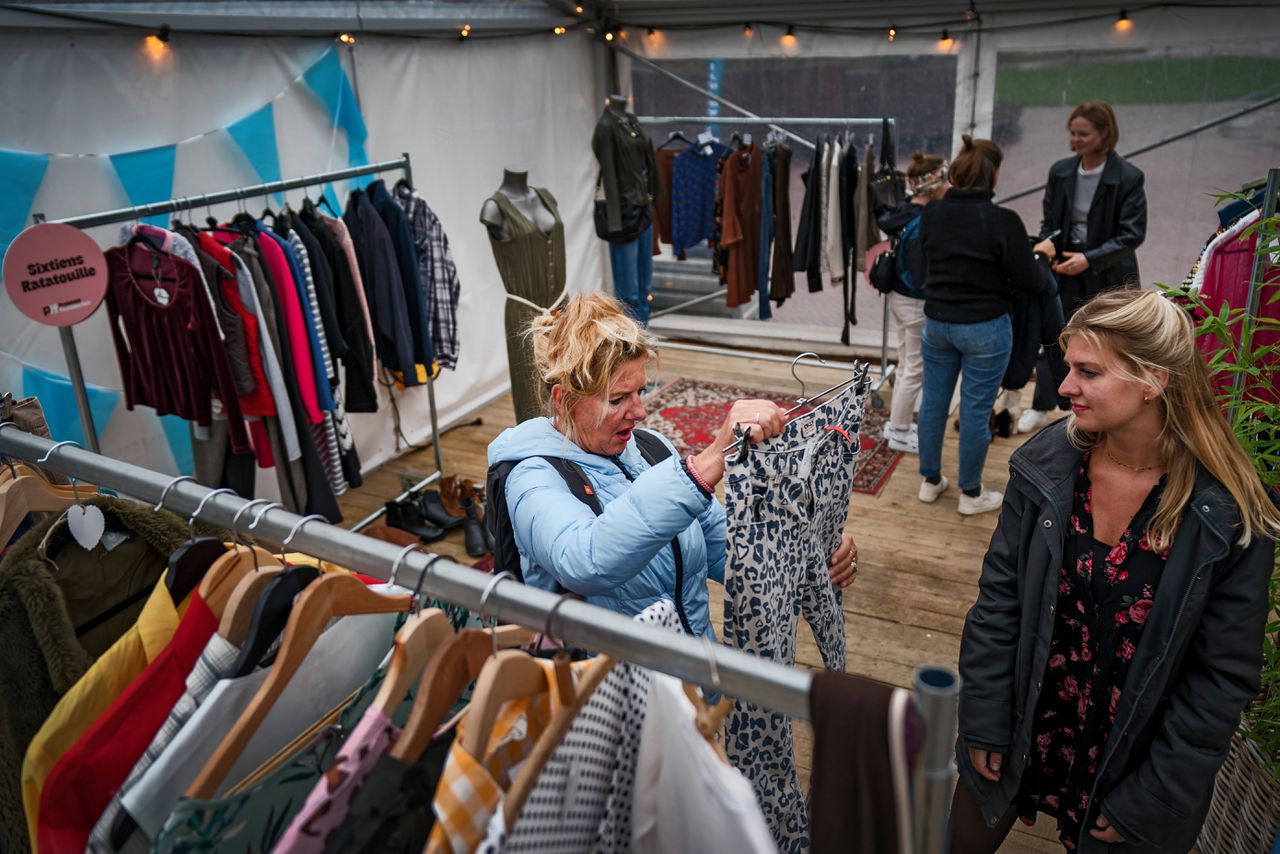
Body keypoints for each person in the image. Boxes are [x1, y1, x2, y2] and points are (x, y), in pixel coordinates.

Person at [951, 290, 1279, 852]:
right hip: (1025, 721)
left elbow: (1219, 680)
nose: (1063, 386)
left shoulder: (1228, 516)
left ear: (1154, 379)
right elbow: (999, 601)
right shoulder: (1047, 466)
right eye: (1068, 366)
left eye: (1088, 371)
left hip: (1133, 761)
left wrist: (1155, 797)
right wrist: (983, 715)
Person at [487, 293, 857, 637]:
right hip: (610, 694)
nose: (641, 411)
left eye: (641, 391)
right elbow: (586, 561)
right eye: (618, 399)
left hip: (694, 679)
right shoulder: (531, 476)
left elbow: (729, 552)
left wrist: (812, 556)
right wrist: (708, 462)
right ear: (564, 400)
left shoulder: (651, 449)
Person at [916, 135, 1042, 515]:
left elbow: (921, 270)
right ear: (993, 175)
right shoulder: (1004, 221)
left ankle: (930, 480)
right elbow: (1030, 282)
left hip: (937, 323)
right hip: (985, 329)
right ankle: (971, 494)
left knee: (934, 403)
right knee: (975, 409)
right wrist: (1038, 255)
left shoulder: (932, 214)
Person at [1019, 101, 1147, 434]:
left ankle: (1105, 411)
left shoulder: (1128, 177)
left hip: (1108, 272)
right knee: (1055, 338)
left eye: (1083, 134)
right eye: (1072, 134)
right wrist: (1047, 248)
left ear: (1104, 133)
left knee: (1107, 343)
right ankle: (1042, 404)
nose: (1075, 140)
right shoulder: (1061, 171)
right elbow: (1049, 221)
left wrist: (1089, 258)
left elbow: (1132, 233)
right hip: (1064, 267)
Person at [879, 150, 950, 454]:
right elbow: (923, 273)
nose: (948, 187)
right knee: (914, 369)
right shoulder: (923, 223)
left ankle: (898, 422)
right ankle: (899, 430)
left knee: (906, 360)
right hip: (915, 302)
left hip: (898, 296)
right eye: (945, 181)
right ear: (933, 187)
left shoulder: (903, 213)